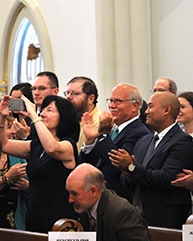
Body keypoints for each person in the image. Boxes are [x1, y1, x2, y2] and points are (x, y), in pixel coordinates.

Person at [0, 94, 80, 233]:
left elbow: (52, 148)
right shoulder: (36, 146)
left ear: (63, 117)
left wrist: (34, 115)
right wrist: (1, 115)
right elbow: (3, 144)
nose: (43, 114)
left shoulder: (68, 145)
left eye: (49, 110)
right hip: (35, 216)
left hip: (60, 220)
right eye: (43, 110)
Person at [111, 92, 193, 228]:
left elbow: (168, 179)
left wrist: (132, 168)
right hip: (137, 216)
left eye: (150, 107)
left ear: (167, 110)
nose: (146, 112)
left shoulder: (182, 141)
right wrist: (126, 172)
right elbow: (131, 180)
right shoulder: (144, 140)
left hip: (165, 219)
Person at [81, 84, 150, 202]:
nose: (111, 106)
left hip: (118, 201)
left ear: (135, 106)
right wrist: (90, 141)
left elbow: (118, 167)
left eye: (118, 101)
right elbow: (86, 165)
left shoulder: (139, 132)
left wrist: (103, 135)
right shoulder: (112, 130)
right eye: (110, 101)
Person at [0, 113, 29, 229]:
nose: (13, 132)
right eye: (9, 127)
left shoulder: (18, 156)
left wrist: (27, 187)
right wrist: (5, 179)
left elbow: (36, 192)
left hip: (17, 225)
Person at [64, 76, 100, 148]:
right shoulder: (70, 118)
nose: (68, 97)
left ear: (91, 99)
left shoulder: (99, 122)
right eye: (67, 93)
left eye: (75, 93)